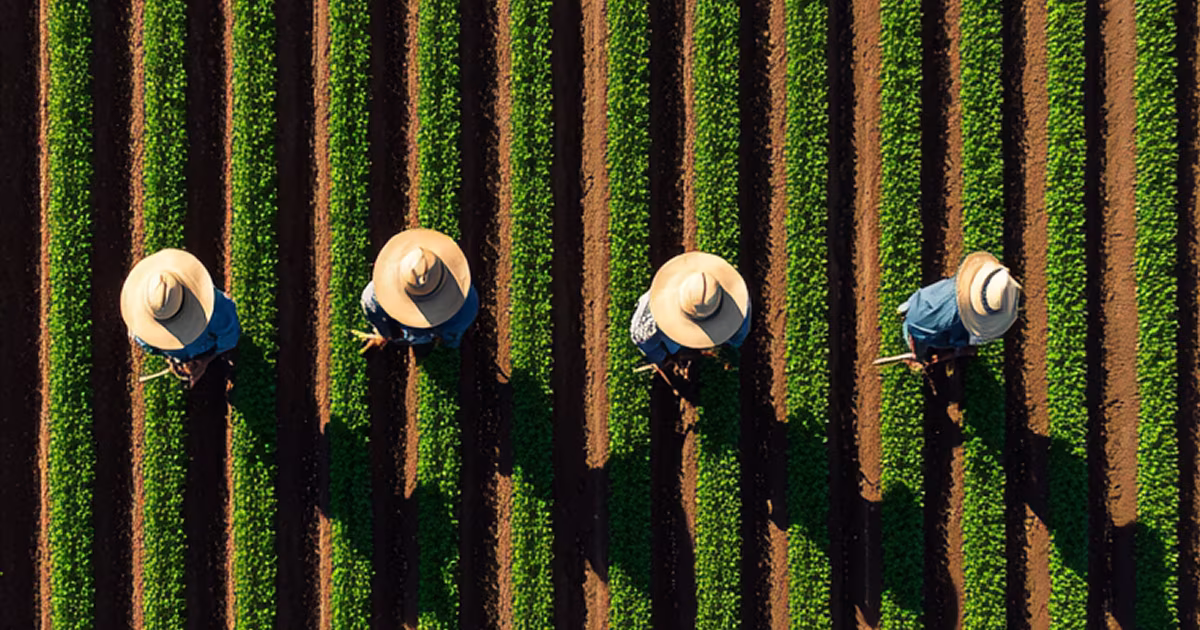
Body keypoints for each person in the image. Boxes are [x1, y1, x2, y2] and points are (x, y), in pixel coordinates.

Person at [121, 248, 240, 388]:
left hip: (207, 349)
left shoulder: (218, 310)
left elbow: (229, 338)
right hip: (201, 348)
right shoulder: (219, 310)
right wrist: (174, 359)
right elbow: (230, 337)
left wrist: (206, 360)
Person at [355, 227, 479, 355]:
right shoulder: (468, 304)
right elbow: (450, 336)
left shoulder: (371, 297)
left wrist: (388, 334)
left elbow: (387, 330)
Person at [630, 251, 751, 381]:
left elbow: (733, 344)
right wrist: (668, 359)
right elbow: (648, 347)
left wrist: (716, 353)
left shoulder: (740, 313)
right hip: (665, 339)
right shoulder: (647, 327)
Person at [896, 250, 1021, 368]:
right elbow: (960, 342)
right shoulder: (960, 324)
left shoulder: (956, 284)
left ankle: (906, 313)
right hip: (918, 333)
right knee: (930, 353)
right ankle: (920, 354)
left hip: (916, 303)